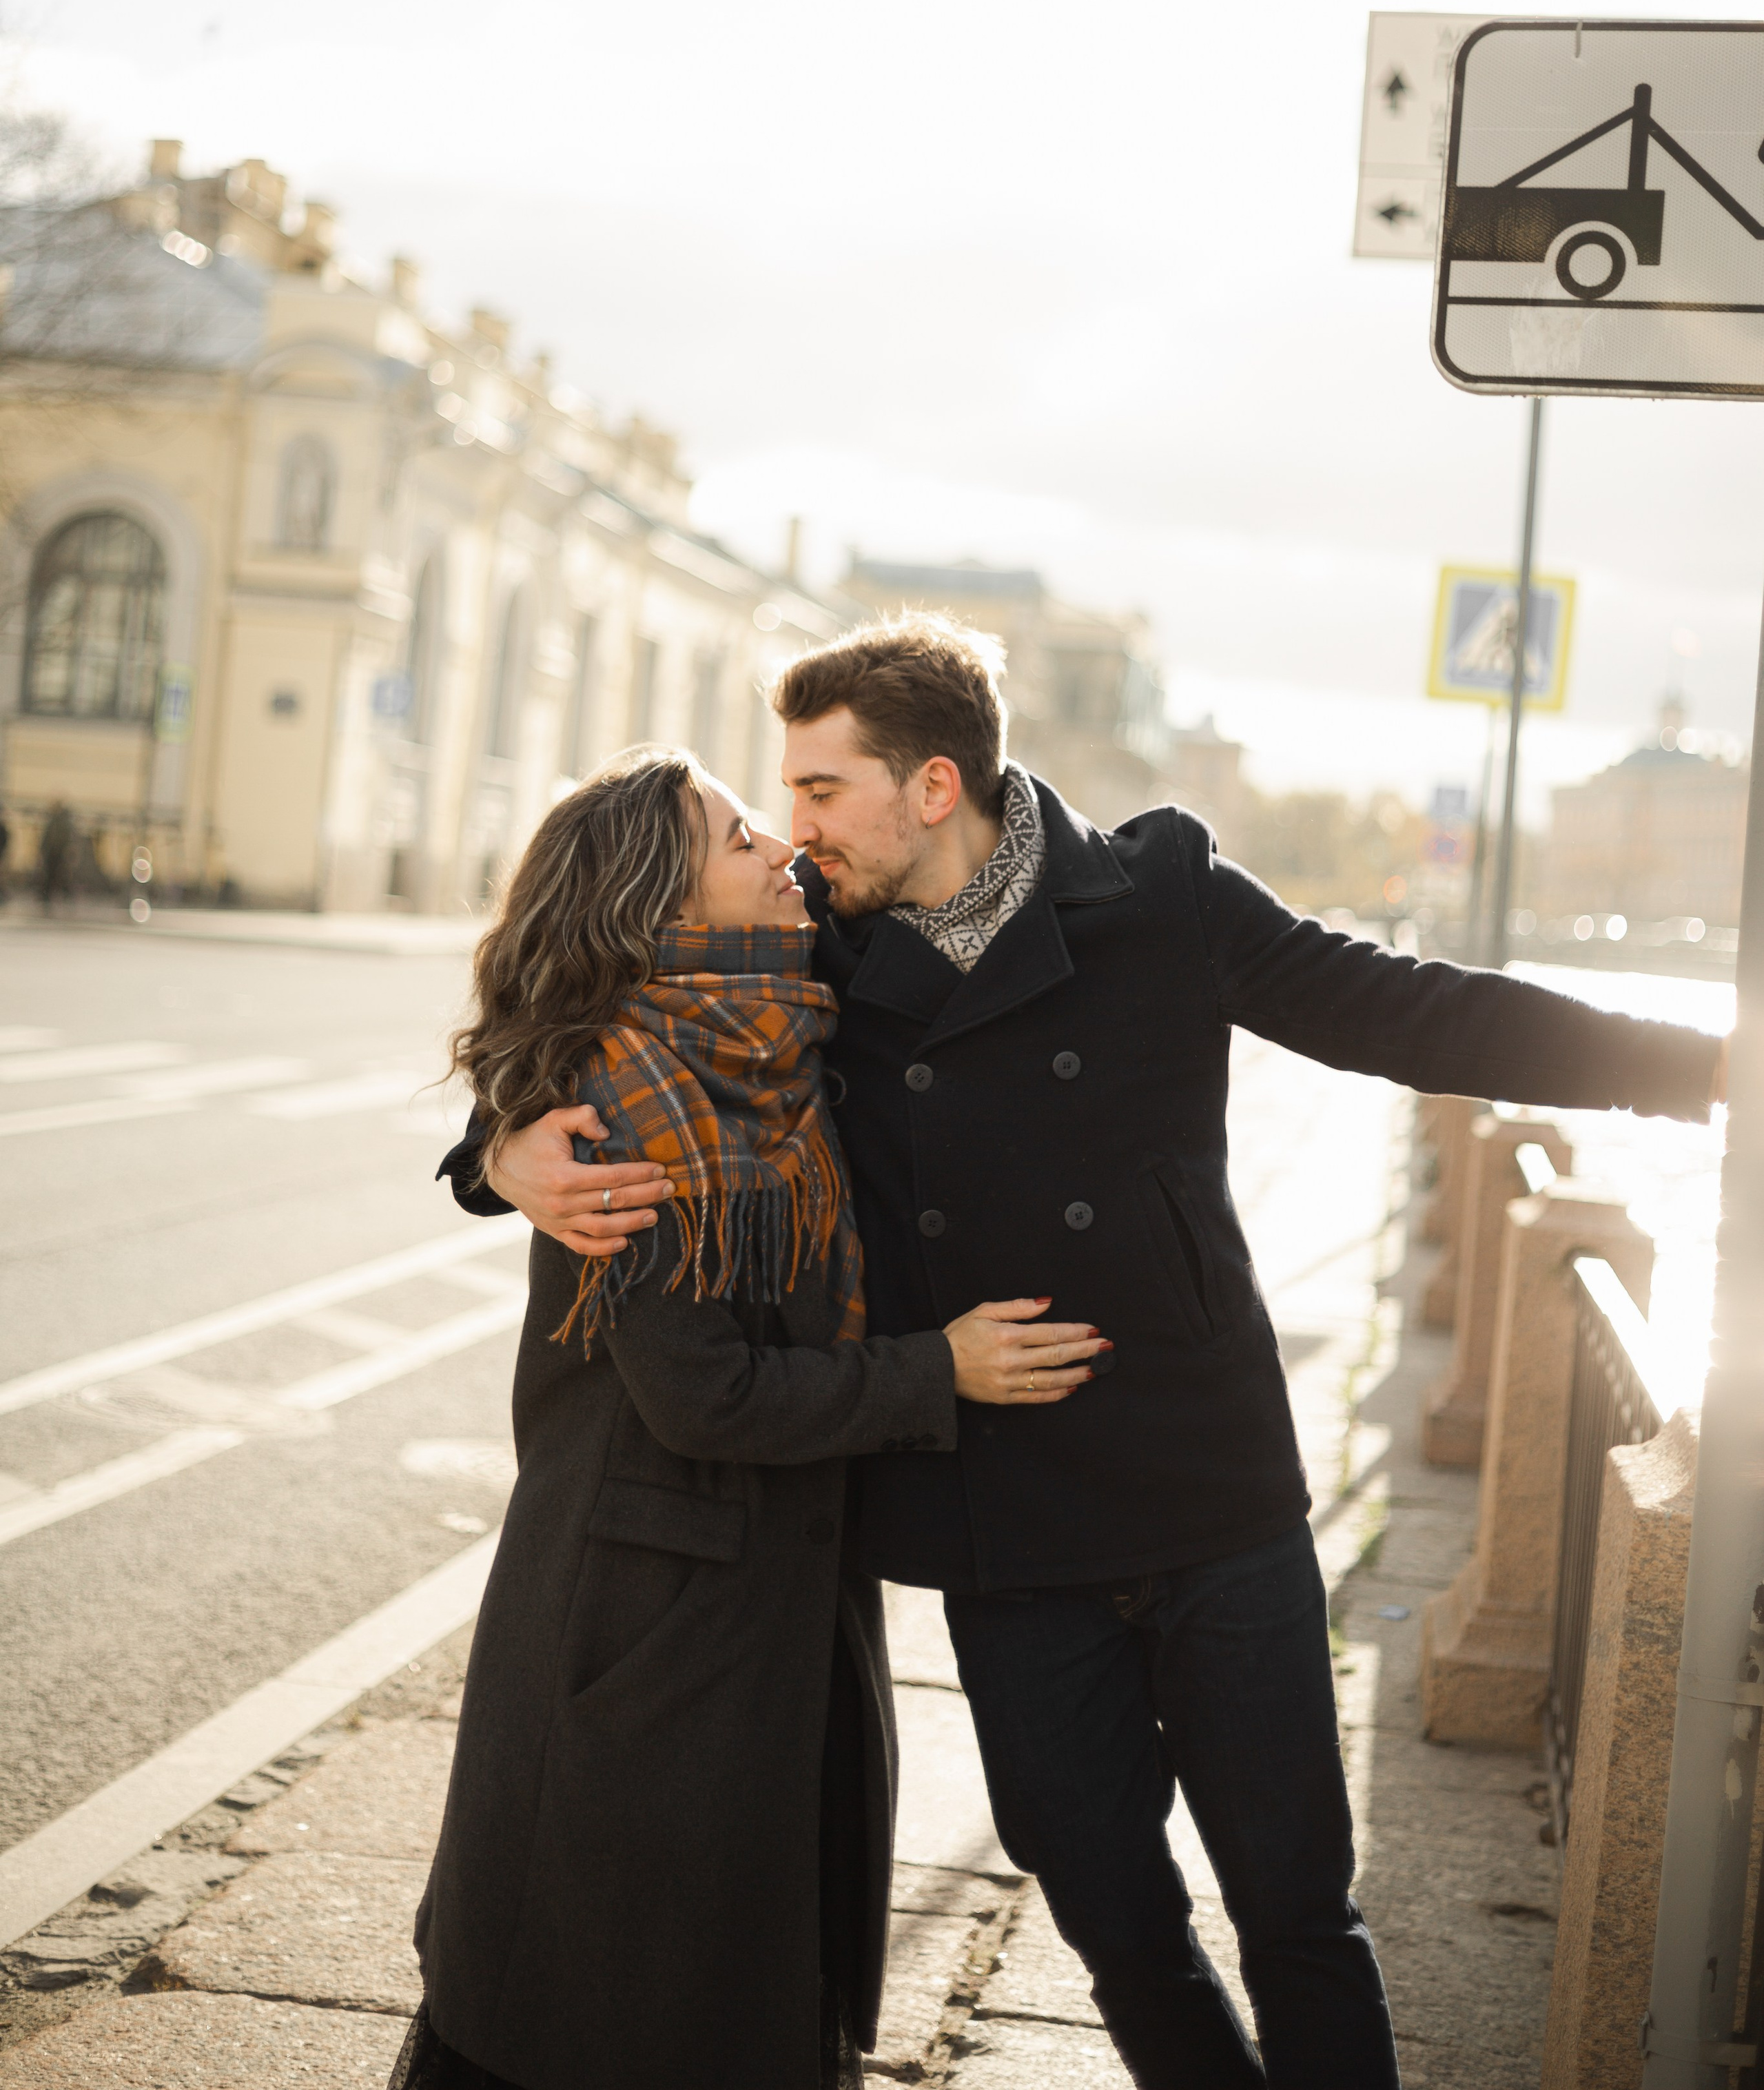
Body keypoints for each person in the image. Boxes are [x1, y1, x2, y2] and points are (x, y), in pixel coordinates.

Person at [460, 616, 1727, 2090]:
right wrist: (500, 1154)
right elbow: (612, 1008)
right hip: (1008, 1528)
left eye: (817, 789)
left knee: (1300, 1919)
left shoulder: (1160, 895)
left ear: (932, 786)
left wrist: (1698, 1068)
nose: (791, 829)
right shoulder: (824, 948)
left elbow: (1405, 1010)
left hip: (1209, 1494)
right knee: (1118, 1926)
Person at [403, 745, 1105, 2090]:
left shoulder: (780, 1030)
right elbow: (702, 1392)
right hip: (646, 1640)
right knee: (578, 2015)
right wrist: (933, 1372)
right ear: (662, 914)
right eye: (737, 837)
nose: (781, 845)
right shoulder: (629, 1110)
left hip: (761, 1619)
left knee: (728, 2001)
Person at [34, 800, 74, 915]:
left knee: (61, 875)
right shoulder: (54, 822)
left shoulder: (63, 822)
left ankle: (66, 895)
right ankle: (47, 895)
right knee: (50, 874)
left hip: (59, 852)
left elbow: (66, 839)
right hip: (52, 852)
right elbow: (47, 838)